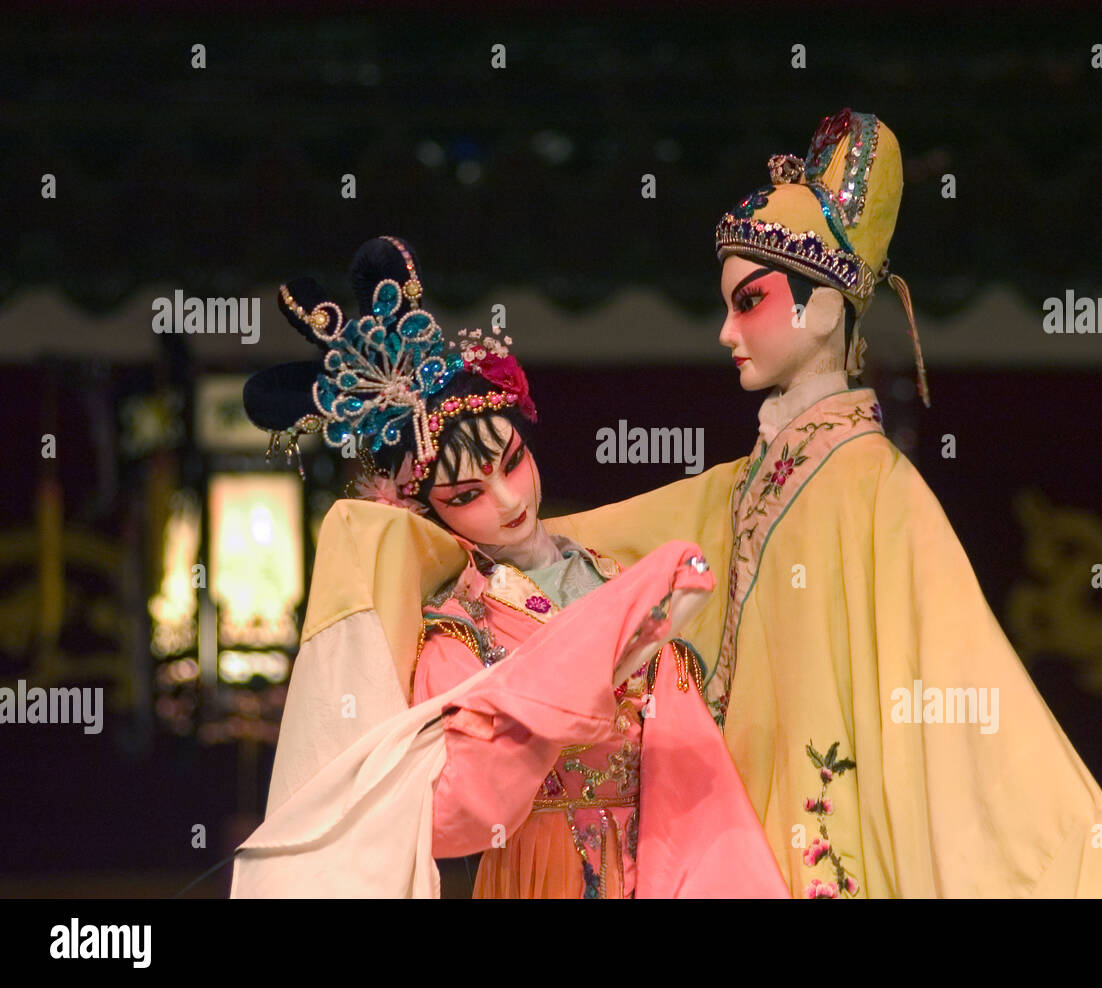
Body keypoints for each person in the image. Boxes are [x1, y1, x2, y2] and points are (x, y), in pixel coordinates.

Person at [546, 109, 1102, 898]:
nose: (727, 333)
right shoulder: (743, 486)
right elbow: (592, 551)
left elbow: (965, 690)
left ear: (825, 307)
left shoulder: (874, 487)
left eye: (750, 301)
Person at [230, 236, 786, 898]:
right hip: (542, 867)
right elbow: (453, 815)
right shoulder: (456, 630)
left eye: (513, 462)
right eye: (466, 496)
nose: (509, 501)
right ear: (428, 510)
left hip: (665, 852)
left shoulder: (612, 572)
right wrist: (564, 684)